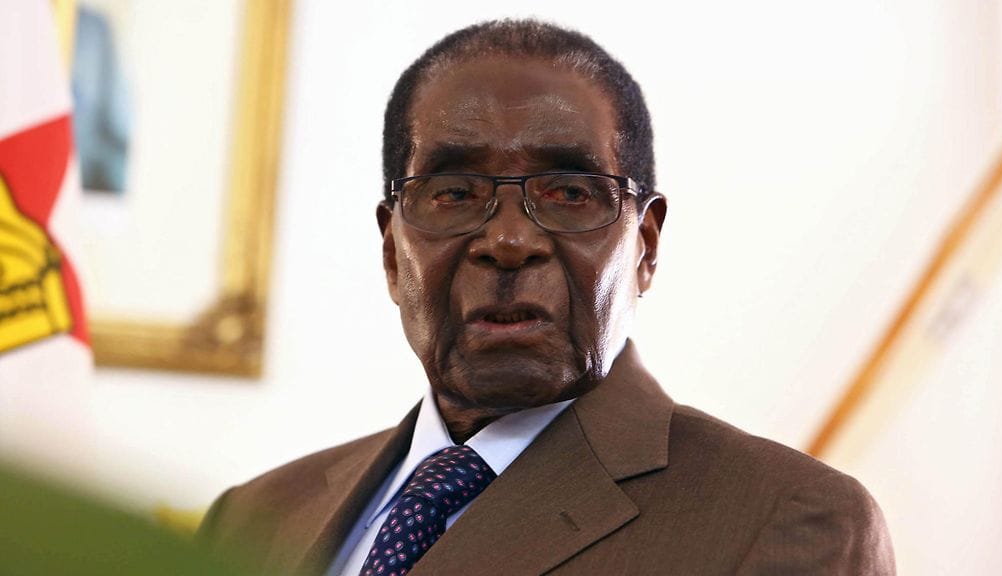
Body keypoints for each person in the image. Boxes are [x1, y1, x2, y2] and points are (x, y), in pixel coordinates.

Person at [198, 19, 895, 576]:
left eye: (569, 193)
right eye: (454, 193)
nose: (508, 240)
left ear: (645, 246)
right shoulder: (252, 517)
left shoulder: (783, 518)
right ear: (391, 251)